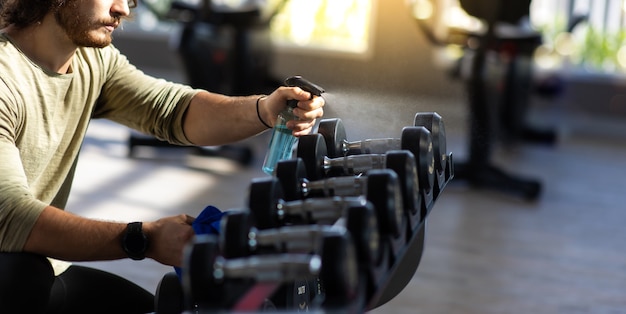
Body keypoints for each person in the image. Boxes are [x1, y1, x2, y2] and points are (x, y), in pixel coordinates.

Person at [0, 0, 325, 312]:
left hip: (39, 269)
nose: (123, 9)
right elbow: (11, 217)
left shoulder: (91, 60)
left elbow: (173, 110)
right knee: (21, 274)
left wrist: (264, 110)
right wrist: (142, 238)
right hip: (14, 271)